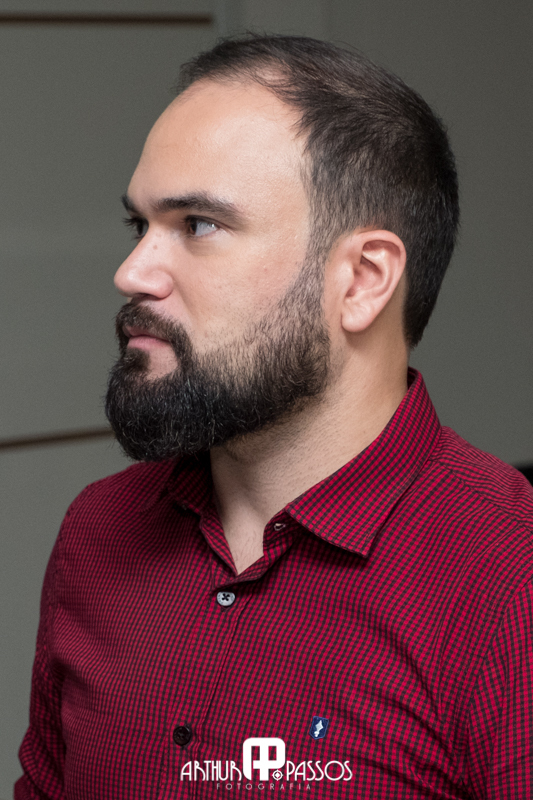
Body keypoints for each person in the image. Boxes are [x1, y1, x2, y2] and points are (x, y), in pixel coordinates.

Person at [16, 34, 533, 800]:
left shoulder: (509, 584)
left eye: (198, 224)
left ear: (361, 279)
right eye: (139, 226)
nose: (131, 272)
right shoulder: (98, 531)